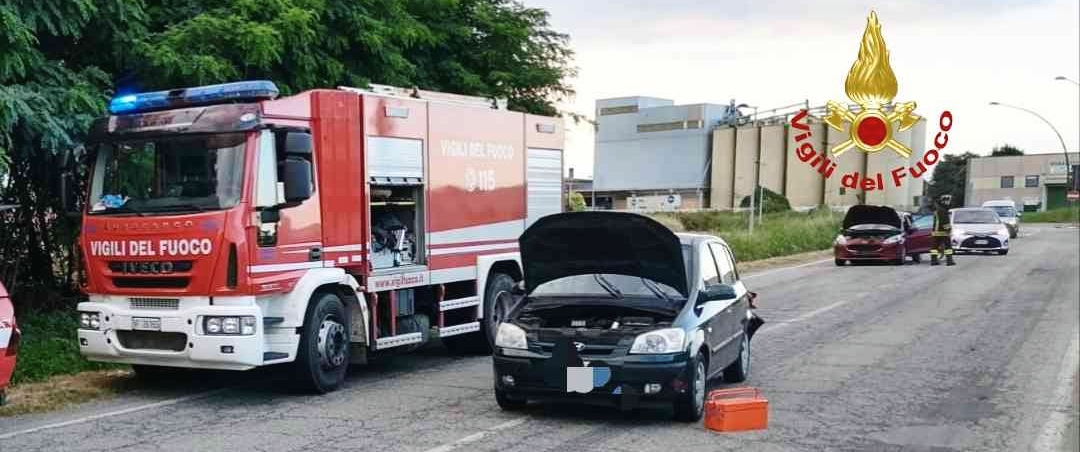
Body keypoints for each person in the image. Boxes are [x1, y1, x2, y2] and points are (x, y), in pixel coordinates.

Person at [930, 194, 955, 266]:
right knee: (948, 247)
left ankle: (933, 261)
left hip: (936, 231)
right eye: (948, 201)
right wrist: (948, 230)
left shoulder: (937, 209)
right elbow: (944, 221)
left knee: (935, 247)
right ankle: (949, 261)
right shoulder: (942, 210)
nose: (949, 203)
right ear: (944, 201)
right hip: (943, 231)